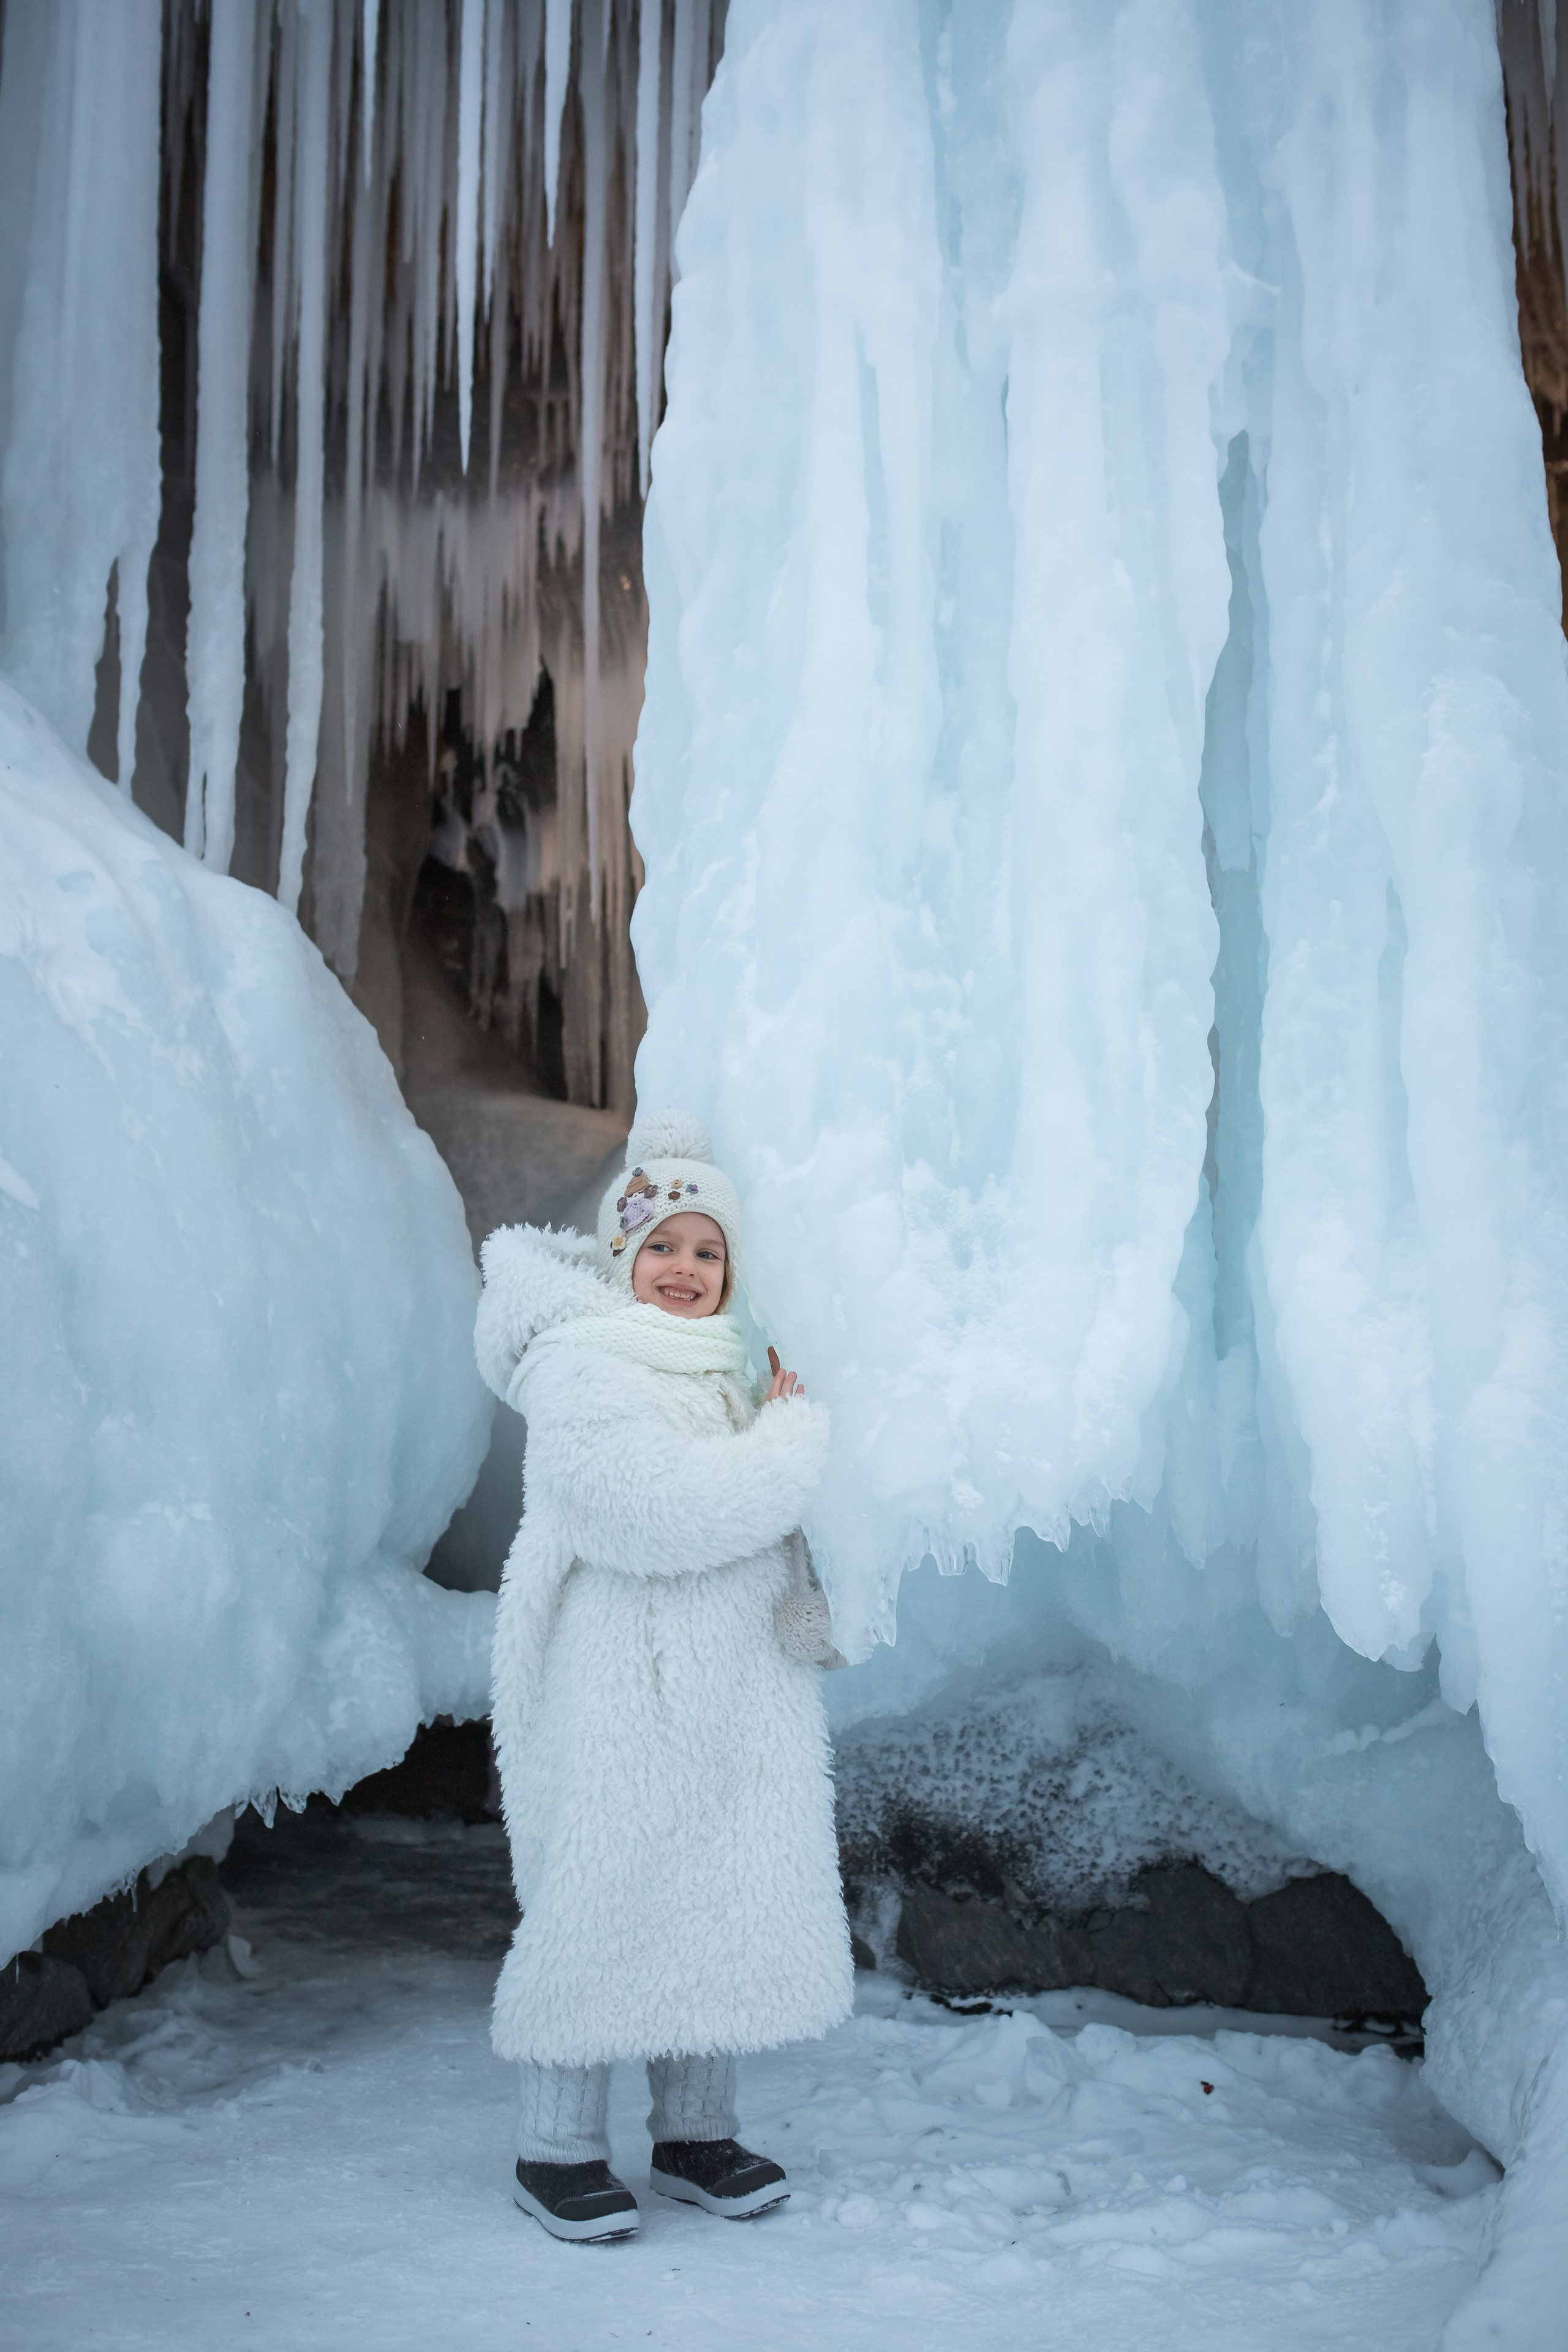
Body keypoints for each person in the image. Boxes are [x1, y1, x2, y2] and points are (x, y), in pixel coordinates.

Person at [474, 1109, 852, 2244]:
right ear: (621, 1257)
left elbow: (763, 1526)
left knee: (718, 1892)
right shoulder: (586, 1364)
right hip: (618, 1692)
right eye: (663, 1246)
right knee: (602, 1892)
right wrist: (789, 1449)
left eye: (707, 1250)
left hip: (728, 1691)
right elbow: (646, 1511)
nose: (685, 1268)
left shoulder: (727, 1368)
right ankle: (557, 2149)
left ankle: (696, 2133)